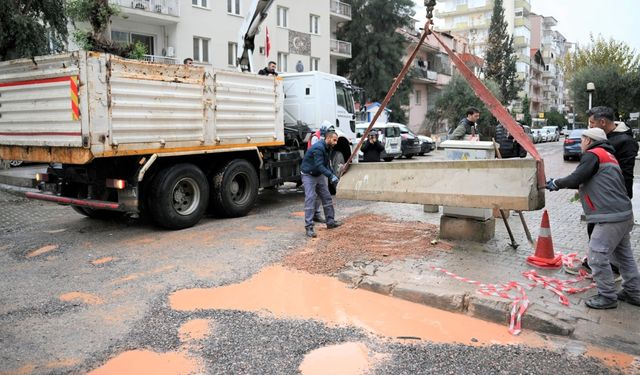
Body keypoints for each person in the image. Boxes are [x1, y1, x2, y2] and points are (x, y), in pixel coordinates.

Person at [546, 127, 640, 309]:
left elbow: (576, 178)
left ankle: (607, 296)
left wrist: (556, 183)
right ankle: (634, 291)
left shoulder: (593, 154)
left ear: (588, 140)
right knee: (623, 256)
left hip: (610, 216)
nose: (581, 143)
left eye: (582, 140)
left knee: (596, 255)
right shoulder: (608, 155)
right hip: (623, 214)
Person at [567, 107, 639, 277]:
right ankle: (628, 286)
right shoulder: (607, 139)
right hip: (603, 199)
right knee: (621, 250)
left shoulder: (624, 142)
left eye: (591, 123)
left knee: (600, 246)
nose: (589, 127)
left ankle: (604, 281)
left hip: (611, 202)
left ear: (603, 122)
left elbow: (625, 175)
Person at [300, 131, 343, 238]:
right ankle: (309, 227)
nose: (336, 142)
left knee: (326, 197)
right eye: (334, 140)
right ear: (328, 138)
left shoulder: (328, 147)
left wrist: (332, 175)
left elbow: (326, 164)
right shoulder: (318, 148)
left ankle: (330, 222)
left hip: (318, 174)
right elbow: (319, 165)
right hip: (308, 174)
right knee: (310, 198)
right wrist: (330, 176)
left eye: (336, 140)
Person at [307, 121, 332, 223]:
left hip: (321, 168)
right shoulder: (315, 138)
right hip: (314, 169)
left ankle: (316, 214)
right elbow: (318, 154)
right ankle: (311, 217)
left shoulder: (323, 138)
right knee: (311, 195)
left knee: (322, 194)